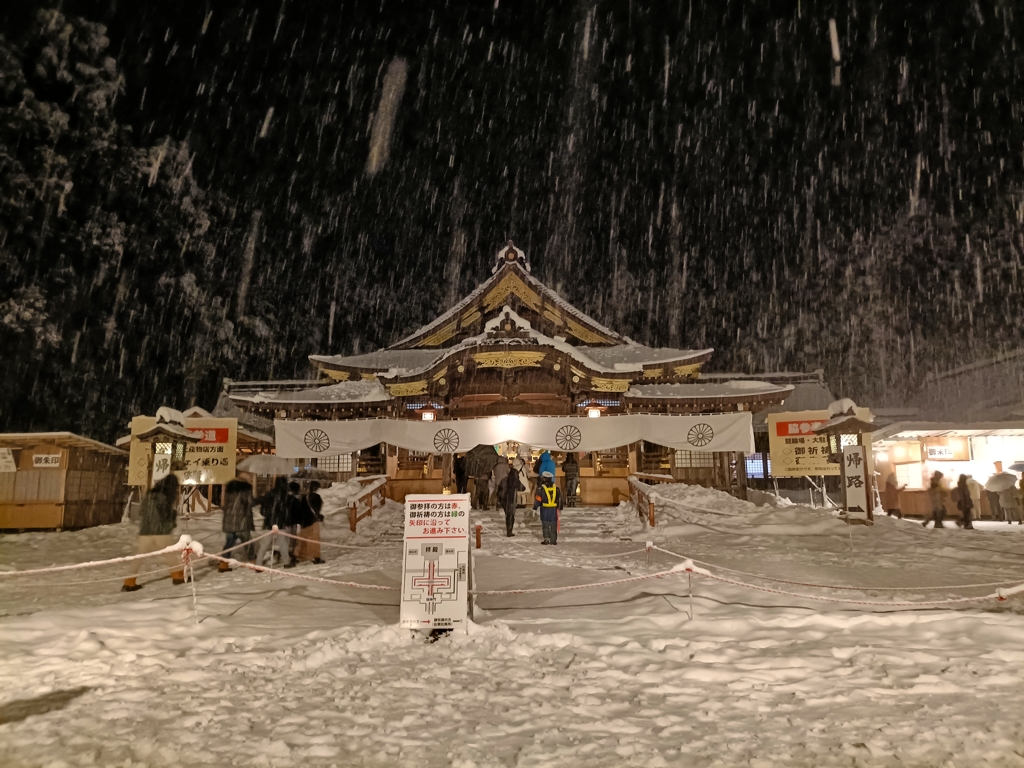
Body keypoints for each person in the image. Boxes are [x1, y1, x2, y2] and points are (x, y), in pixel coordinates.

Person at [122, 475, 184, 591]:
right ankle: (177, 577)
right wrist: (172, 519)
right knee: (170, 554)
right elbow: (165, 515)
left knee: (139, 557)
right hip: (160, 531)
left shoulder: (149, 495)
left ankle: (129, 582)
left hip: (145, 531)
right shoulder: (164, 497)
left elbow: (142, 512)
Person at [255, 477, 293, 567]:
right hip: (281, 523)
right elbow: (288, 511)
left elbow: (262, 510)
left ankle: (258, 563)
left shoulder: (269, 494)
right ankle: (286, 562)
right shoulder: (286, 497)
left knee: (264, 545)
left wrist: (268, 516)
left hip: (269, 522)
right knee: (283, 543)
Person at [219, 478, 256, 571]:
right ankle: (253, 562)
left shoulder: (228, 493)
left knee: (228, 544)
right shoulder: (245, 492)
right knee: (248, 544)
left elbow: (223, 506)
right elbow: (251, 502)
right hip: (242, 523)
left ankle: (223, 564)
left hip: (229, 523)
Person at [290, 481, 325, 565]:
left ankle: (297, 556)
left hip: (304, 521)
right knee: (314, 540)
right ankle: (316, 557)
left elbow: (300, 510)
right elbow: (317, 510)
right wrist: (319, 516)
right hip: (312, 521)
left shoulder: (304, 498)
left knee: (302, 540)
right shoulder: (316, 497)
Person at [533, 471, 564, 545]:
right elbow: (559, 498)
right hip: (553, 510)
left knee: (545, 524)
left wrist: (535, 508)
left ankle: (546, 539)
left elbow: (538, 499)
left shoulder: (541, 488)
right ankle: (553, 540)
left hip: (545, 510)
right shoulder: (556, 488)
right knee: (553, 525)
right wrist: (560, 508)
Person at [498, 460, 525, 536]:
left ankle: (508, 530)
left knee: (508, 516)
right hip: (512, 500)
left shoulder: (504, 479)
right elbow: (522, 488)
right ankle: (509, 531)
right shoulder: (516, 481)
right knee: (511, 516)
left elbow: (499, 490)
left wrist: (500, 500)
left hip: (504, 500)